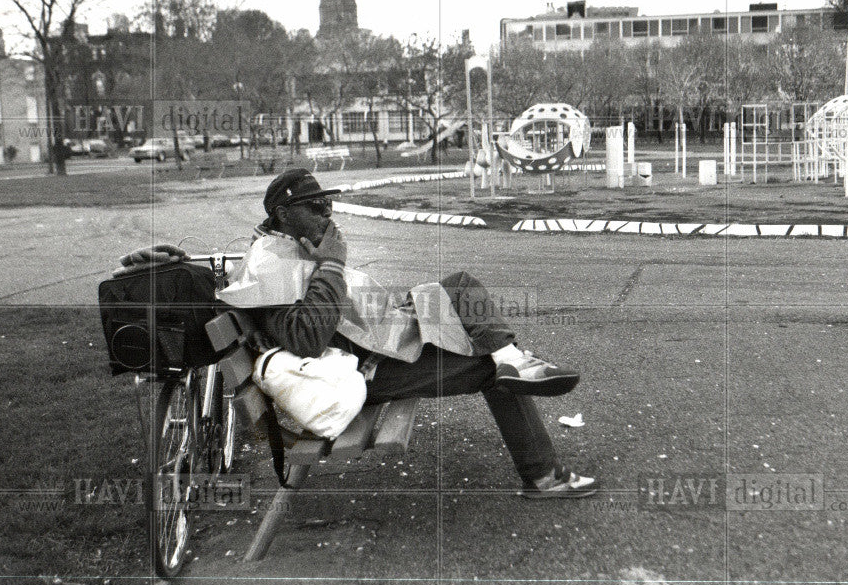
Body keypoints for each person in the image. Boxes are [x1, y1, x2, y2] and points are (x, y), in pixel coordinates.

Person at [217, 168, 598, 499]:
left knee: (459, 287)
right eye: (315, 207)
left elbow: (335, 309)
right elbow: (306, 340)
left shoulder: (287, 248)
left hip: (368, 350)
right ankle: (543, 472)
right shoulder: (269, 264)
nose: (327, 214)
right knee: (489, 367)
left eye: (328, 205)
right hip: (355, 373)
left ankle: (512, 358)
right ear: (283, 213)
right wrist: (331, 262)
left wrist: (388, 305)